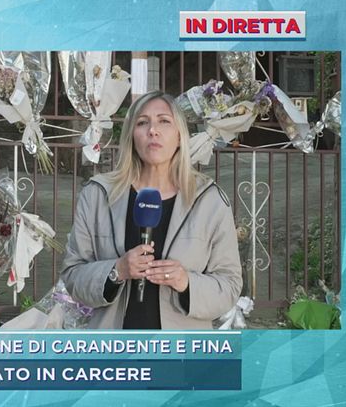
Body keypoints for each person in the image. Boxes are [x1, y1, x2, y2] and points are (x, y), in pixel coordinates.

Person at [61, 91, 242, 329]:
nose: (153, 130)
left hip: (181, 347)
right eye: (142, 123)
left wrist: (186, 282)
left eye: (164, 121)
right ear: (131, 136)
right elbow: (73, 275)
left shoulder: (209, 200)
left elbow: (229, 286)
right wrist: (116, 271)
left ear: (180, 136)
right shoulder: (98, 195)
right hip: (114, 345)